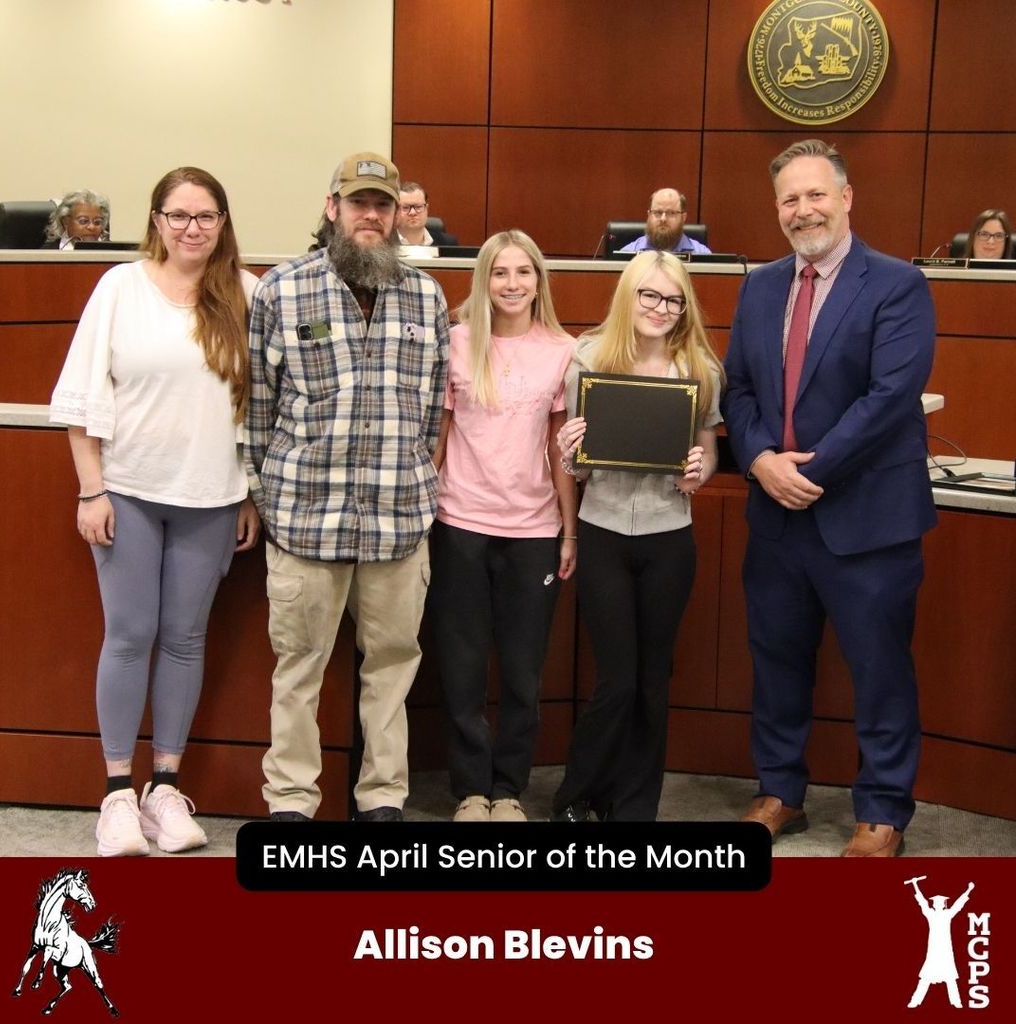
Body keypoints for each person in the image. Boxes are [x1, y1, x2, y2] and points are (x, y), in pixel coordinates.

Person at [721, 139, 936, 857]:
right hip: (776, 519)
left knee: (880, 668)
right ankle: (780, 789)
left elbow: (889, 397)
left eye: (816, 194)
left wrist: (803, 470)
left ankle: (882, 810)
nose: (803, 209)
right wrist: (757, 459)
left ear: (846, 198)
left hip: (866, 518)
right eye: (789, 198)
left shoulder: (898, 283)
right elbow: (739, 388)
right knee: (777, 659)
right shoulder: (759, 287)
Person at [49, 167, 261, 856]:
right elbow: (81, 396)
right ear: (157, 220)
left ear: (223, 223)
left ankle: (164, 788)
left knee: (183, 639)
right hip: (130, 492)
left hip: (211, 497)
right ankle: (116, 795)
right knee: (130, 634)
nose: (191, 228)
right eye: (178, 215)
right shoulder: (120, 287)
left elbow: (261, 408)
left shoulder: (248, 295)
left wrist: (249, 491)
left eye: (205, 216)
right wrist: (91, 489)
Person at [246, 151, 450, 823]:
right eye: (358, 202)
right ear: (332, 208)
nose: (371, 214)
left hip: (397, 522)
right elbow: (259, 409)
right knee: (299, 669)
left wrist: (416, 482)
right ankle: (292, 805)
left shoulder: (427, 297)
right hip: (308, 520)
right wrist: (270, 497)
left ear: (397, 216)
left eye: (382, 204)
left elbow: (429, 414)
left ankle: (382, 800)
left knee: (392, 666)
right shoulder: (282, 291)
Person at [551, 251, 724, 822]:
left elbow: (709, 451)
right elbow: (577, 464)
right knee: (617, 681)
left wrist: (700, 469)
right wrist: (569, 455)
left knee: (653, 681)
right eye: (649, 295)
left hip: (669, 536)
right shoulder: (589, 357)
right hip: (603, 533)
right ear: (629, 295)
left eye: (673, 300)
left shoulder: (700, 368)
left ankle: (633, 810)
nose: (661, 308)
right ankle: (577, 798)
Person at [430, 230, 577, 823]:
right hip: (459, 521)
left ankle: (509, 789)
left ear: (539, 280)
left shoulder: (564, 351)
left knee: (522, 669)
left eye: (523, 272)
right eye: (500, 273)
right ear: (483, 281)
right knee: (462, 667)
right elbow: (438, 438)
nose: (512, 284)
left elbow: (561, 449)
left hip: (534, 530)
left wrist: (569, 530)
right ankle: (470, 789)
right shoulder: (456, 344)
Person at [907, 880, 976, 1008]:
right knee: (926, 978)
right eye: (936, 902)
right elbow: (922, 902)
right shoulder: (930, 914)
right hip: (933, 951)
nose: (939, 904)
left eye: (941, 902)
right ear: (933, 904)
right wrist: (915, 885)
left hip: (945, 951)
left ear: (944, 904)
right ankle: (915, 1001)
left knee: (950, 978)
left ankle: (957, 1003)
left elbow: (958, 904)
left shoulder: (947, 914)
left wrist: (968, 890)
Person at [618, 188, 711, 255]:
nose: (663, 219)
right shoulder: (628, 253)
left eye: (671, 213)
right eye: (658, 212)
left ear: (683, 217)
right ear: (649, 215)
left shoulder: (702, 254)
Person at [396, 180, 458, 249]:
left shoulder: (448, 243)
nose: (413, 212)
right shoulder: (384, 243)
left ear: (426, 209)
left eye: (418, 207)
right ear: (395, 210)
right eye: (405, 207)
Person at [44, 189, 110, 249]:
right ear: (66, 222)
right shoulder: (45, 255)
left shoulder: (114, 252)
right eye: (84, 221)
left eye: (97, 222)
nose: (91, 227)